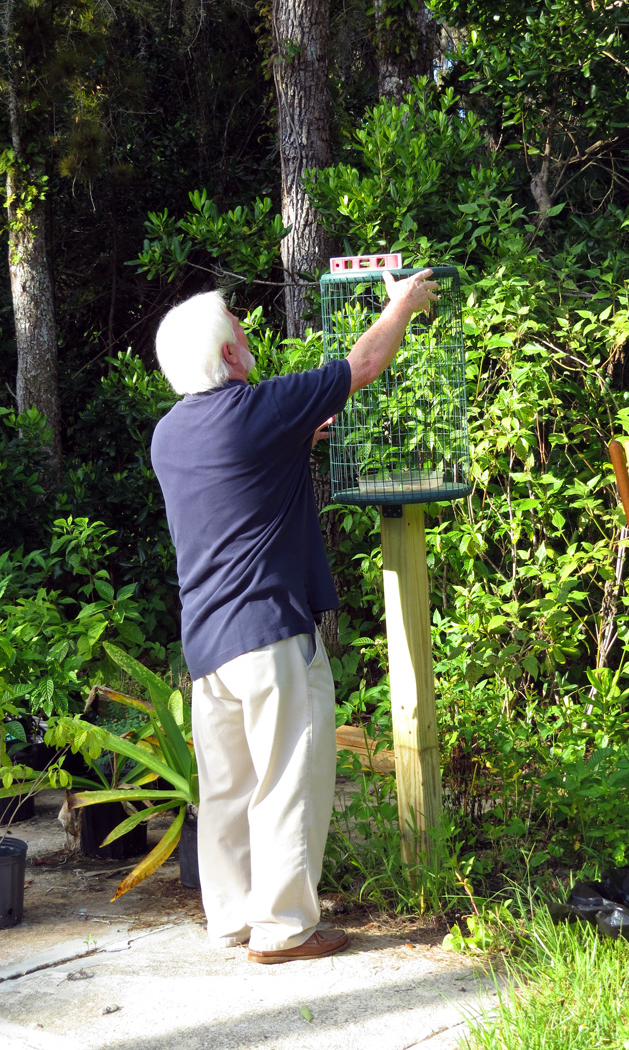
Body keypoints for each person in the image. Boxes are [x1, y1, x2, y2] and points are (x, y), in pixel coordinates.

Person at [150, 268, 438, 965]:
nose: (249, 339)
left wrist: (295, 440)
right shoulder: (259, 411)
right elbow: (364, 362)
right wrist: (401, 304)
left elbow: (237, 476)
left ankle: (233, 918)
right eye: (240, 332)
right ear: (227, 354)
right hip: (271, 632)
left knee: (227, 786)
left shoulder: (169, 437)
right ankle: (283, 928)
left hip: (207, 646)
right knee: (289, 774)